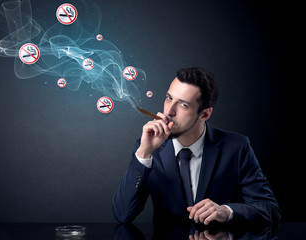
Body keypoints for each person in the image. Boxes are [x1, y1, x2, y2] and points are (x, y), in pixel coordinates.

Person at [112, 67, 280, 226]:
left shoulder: (236, 147)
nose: (169, 111)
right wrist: (143, 154)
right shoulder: (148, 148)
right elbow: (122, 215)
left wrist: (227, 211)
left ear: (205, 114)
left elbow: (269, 210)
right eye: (169, 98)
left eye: (183, 105)